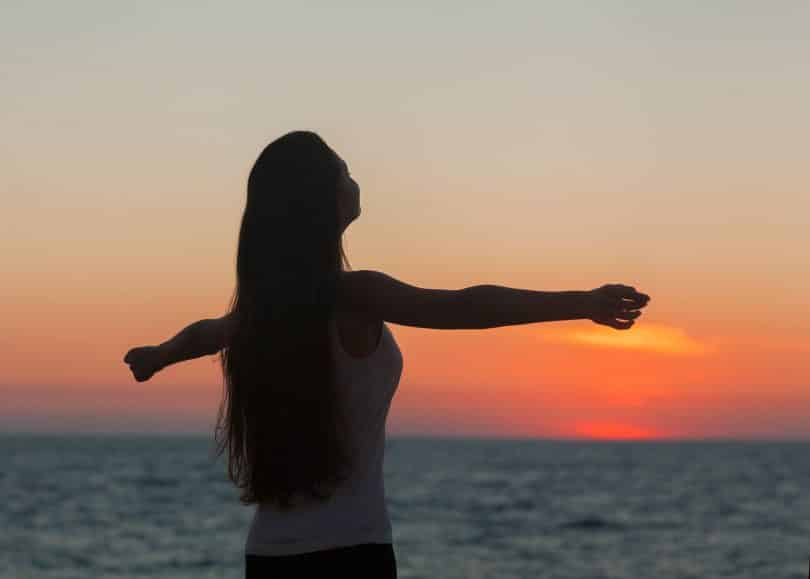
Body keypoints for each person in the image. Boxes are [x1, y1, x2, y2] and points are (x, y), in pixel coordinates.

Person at [123, 130, 650, 578]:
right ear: (321, 200)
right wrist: (582, 303)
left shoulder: (265, 315)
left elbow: (203, 334)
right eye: (344, 171)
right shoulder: (356, 295)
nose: (354, 179)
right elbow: (467, 307)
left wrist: (157, 356)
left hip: (267, 555)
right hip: (353, 552)